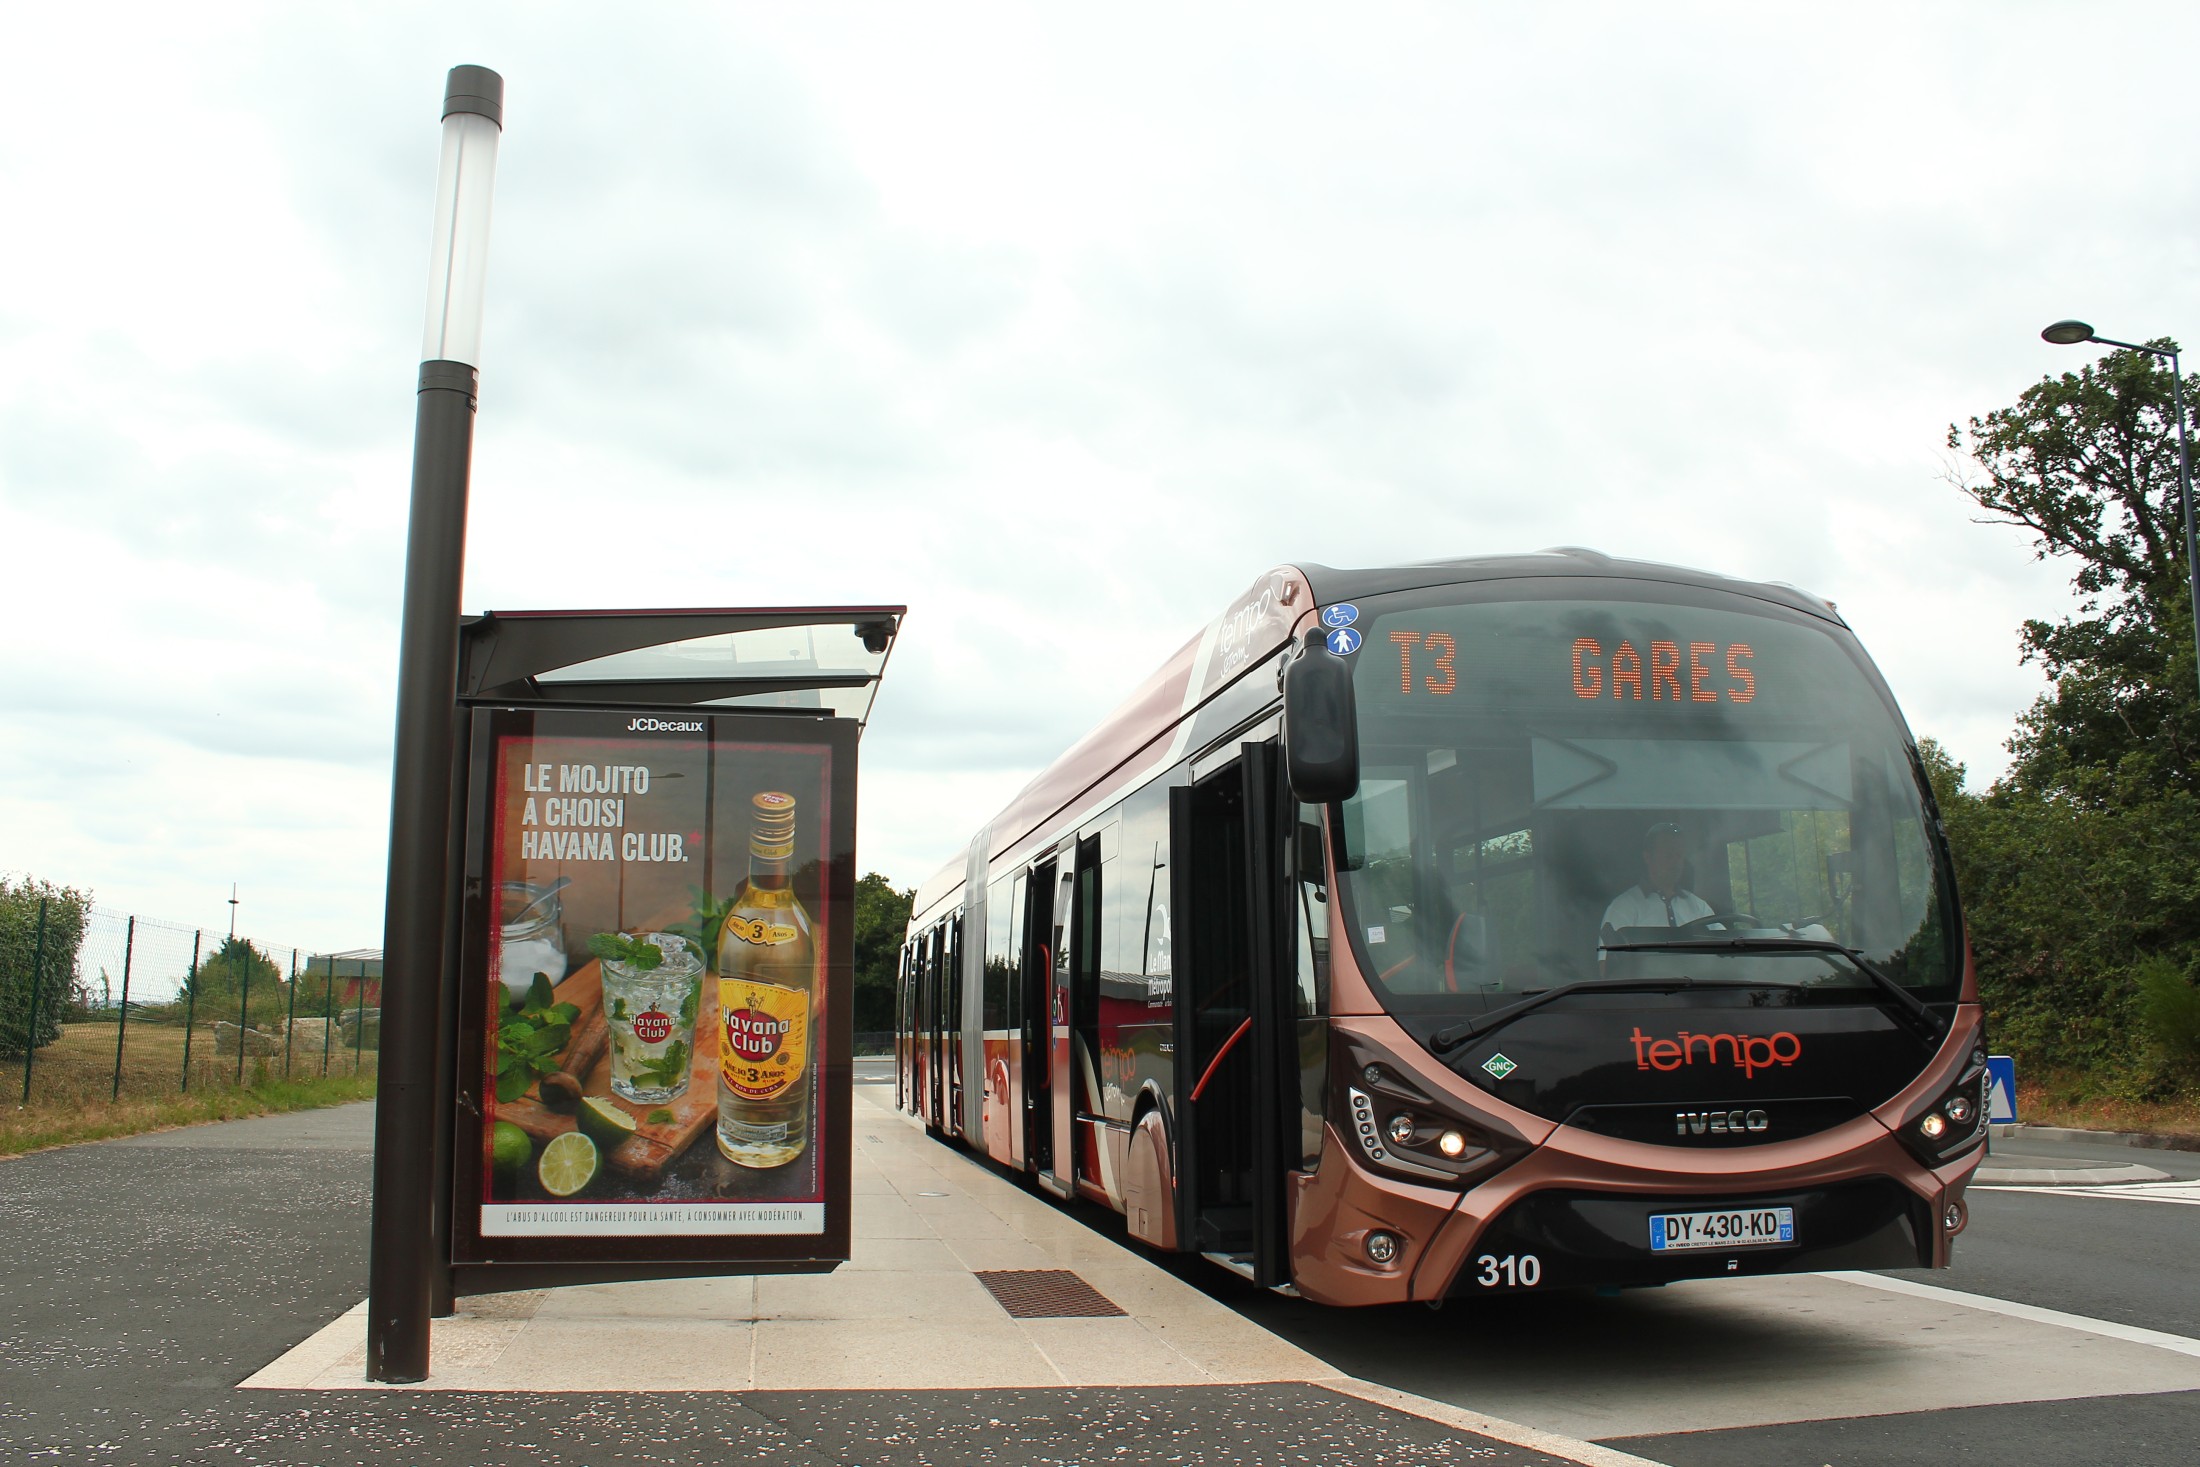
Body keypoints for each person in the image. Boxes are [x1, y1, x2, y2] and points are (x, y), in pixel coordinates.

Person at [1601, 821, 1713, 943]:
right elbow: (1609, 955)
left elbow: (1724, 949)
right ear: (1648, 857)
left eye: (1679, 855)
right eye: (1668, 855)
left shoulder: (1700, 908)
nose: (1676, 862)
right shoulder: (1622, 908)